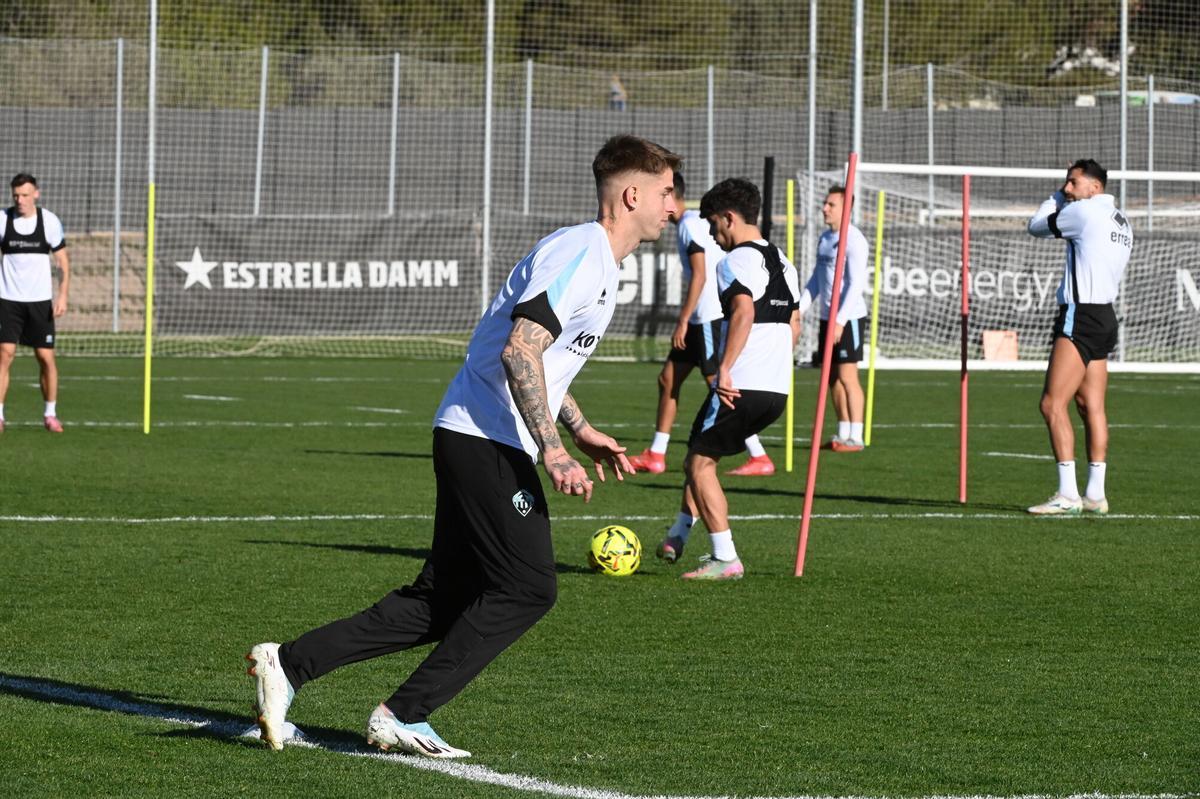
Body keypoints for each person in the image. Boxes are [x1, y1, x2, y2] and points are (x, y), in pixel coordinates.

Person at [245, 134, 680, 757]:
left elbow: (543, 361)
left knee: (445, 600)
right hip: (486, 437)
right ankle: (404, 714)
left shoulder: (599, 261)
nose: (674, 207)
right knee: (529, 588)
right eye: (667, 193)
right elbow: (520, 351)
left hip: (476, 434)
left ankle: (288, 664)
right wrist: (554, 451)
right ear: (632, 194)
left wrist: (579, 428)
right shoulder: (583, 252)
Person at [655, 178, 799, 580]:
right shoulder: (784, 261)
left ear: (729, 217)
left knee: (698, 463)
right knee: (702, 454)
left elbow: (743, 312)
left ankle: (725, 557)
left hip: (740, 384)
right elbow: (795, 323)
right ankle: (678, 533)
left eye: (714, 224)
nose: (713, 235)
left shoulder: (733, 262)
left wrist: (725, 368)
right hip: (776, 390)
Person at [627, 172, 774, 478]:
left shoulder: (689, 225)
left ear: (671, 196)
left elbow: (700, 274)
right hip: (699, 318)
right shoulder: (693, 223)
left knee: (720, 387)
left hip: (706, 317)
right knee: (668, 379)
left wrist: (683, 320)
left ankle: (759, 455)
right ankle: (656, 453)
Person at [1026, 159, 1131, 515]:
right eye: (1066, 183)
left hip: (1081, 314)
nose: (1068, 188)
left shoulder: (1083, 212)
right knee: (1091, 406)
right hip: (1104, 316)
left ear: (1095, 187)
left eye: (1073, 182)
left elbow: (1036, 226)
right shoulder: (1120, 220)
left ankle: (1068, 495)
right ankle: (1096, 495)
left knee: (1052, 404)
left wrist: (1056, 196)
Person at [799, 185, 869, 452]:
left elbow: (855, 284)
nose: (824, 209)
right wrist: (799, 309)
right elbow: (817, 279)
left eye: (831, 205)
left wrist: (840, 320)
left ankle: (856, 437)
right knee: (832, 378)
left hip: (849, 318)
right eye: (825, 204)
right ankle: (842, 433)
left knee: (848, 376)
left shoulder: (854, 240)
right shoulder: (825, 238)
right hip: (827, 319)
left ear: (846, 208)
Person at [0, 173, 70, 434]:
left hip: (40, 302)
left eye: (25, 195)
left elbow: (62, 262)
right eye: (16, 195)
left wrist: (62, 295)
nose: (20, 200)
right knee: (4, 354)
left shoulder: (49, 221)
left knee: (45, 357)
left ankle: (50, 414)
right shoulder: (2, 219)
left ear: (36, 194)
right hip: (8, 300)